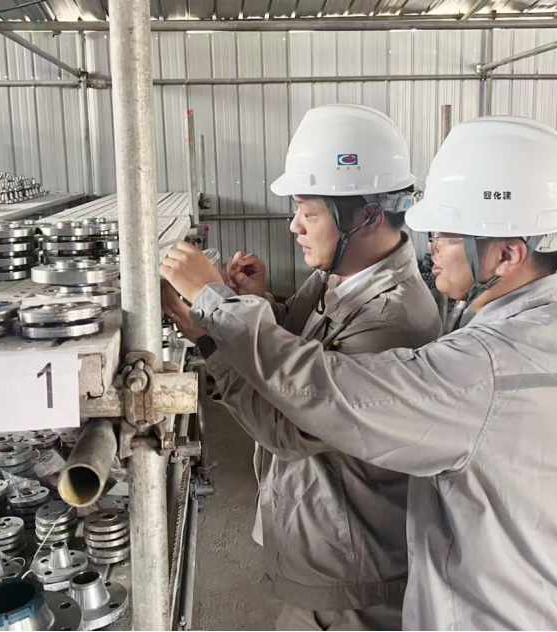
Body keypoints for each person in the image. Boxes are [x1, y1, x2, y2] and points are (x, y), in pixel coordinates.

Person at [160, 116, 557, 631]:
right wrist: (253, 311)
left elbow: (327, 396)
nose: (431, 245)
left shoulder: (481, 369)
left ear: (508, 254)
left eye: (446, 234)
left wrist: (216, 311)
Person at [163, 104, 442, 631]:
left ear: (366, 216)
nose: (294, 226)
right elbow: (305, 346)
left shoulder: (393, 321)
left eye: (309, 214)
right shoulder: (342, 275)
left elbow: (287, 424)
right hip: (323, 541)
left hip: (353, 575)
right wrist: (259, 302)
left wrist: (213, 323)